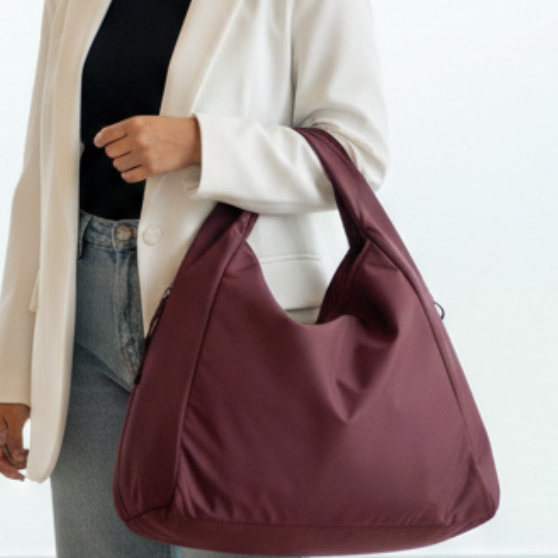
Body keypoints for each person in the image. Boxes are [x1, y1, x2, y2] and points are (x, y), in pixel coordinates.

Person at [0, 0, 390, 556]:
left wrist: (200, 144)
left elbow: (358, 152)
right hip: (81, 326)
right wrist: (14, 370)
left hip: (237, 323)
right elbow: (41, 168)